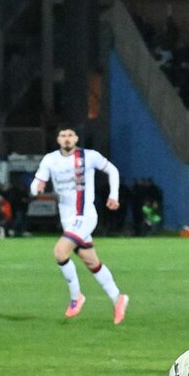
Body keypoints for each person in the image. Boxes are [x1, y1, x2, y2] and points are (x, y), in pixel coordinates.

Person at [31, 126, 129, 324]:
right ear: (58, 139)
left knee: (60, 252)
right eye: (63, 135)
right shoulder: (50, 160)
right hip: (68, 219)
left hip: (85, 216)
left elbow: (112, 170)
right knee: (91, 262)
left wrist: (113, 195)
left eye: (70, 135)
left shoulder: (89, 156)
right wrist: (37, 188)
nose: (67, 138)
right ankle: (118, 298)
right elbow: (35, 185)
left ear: (76, 138)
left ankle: (76, 297)